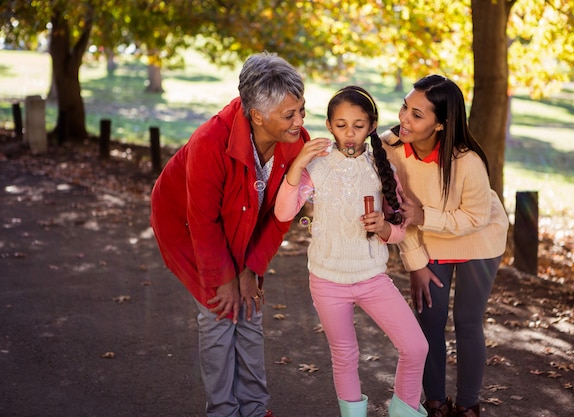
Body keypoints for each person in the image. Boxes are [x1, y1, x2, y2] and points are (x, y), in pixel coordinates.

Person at [150, 52, 310, 417]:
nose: (300, 122)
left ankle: (255, 409)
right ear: (257, 115)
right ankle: (223, 411)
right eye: (290, 115)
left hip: (246, 226)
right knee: (220, 314)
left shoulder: (296, 142)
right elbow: (203, 222)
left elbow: (282, 217)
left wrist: (251, 269)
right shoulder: (210, 142)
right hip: (188, 227)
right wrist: (223, 278)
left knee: (250, 310)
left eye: (301, 109)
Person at [275, 86, 429, 417]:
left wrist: (385, 228)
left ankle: (403, 412)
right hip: (327, 280)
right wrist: (299, 161)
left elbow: (401, 226)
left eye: (358, 125)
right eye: (341, 124)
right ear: (329, 125)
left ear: (372, 126)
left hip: (372, 277)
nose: (349, 133)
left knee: (416, 347)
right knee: (345, 354)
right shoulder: (316, 165)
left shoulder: (380, 165)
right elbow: (283, 213)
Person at [381, 74, 509, 417]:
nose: (405, 118)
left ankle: (469, 406)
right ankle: (435, 402)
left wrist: (426, 216)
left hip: (478, 239)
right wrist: (415, 263)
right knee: (429, 320)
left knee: (467, 321)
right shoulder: (389, 149)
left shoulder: (467, 161)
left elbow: (476, 218)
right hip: (428, 240)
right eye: (405, 107)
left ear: (441, 124)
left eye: (418, 115)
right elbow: (395, 211)